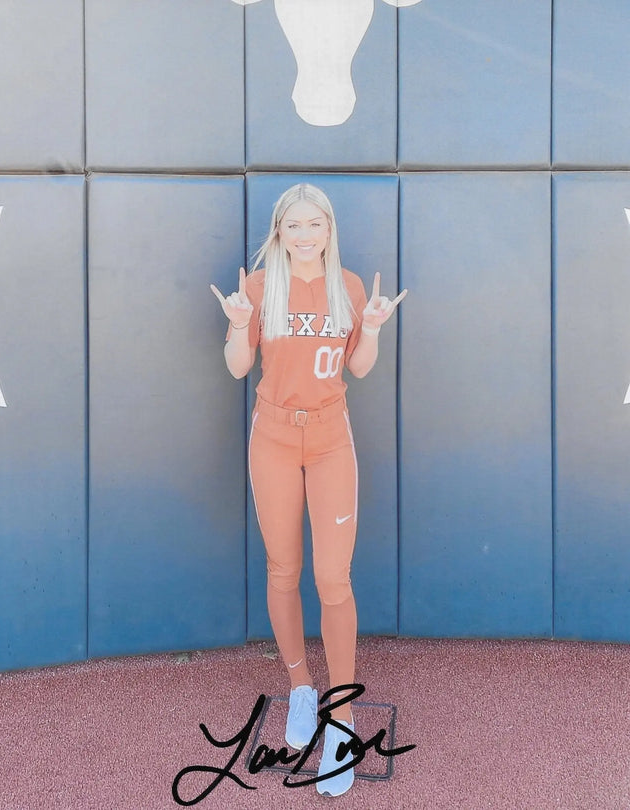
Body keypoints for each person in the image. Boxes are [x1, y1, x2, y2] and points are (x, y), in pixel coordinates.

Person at [211, 183, 406, 797]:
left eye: (313, 224)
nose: (302, 235)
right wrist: (241, 325)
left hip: (328, 440)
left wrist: (371, 326)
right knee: (282, 568)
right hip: (272, 435)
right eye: (292, 225)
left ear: (328, 229)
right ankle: (300, 687)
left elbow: (360, 367)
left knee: (333, 578)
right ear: (278, 231)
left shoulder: (347, 286)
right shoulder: (259, 287)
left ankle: (342, 720)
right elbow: (239, 367)